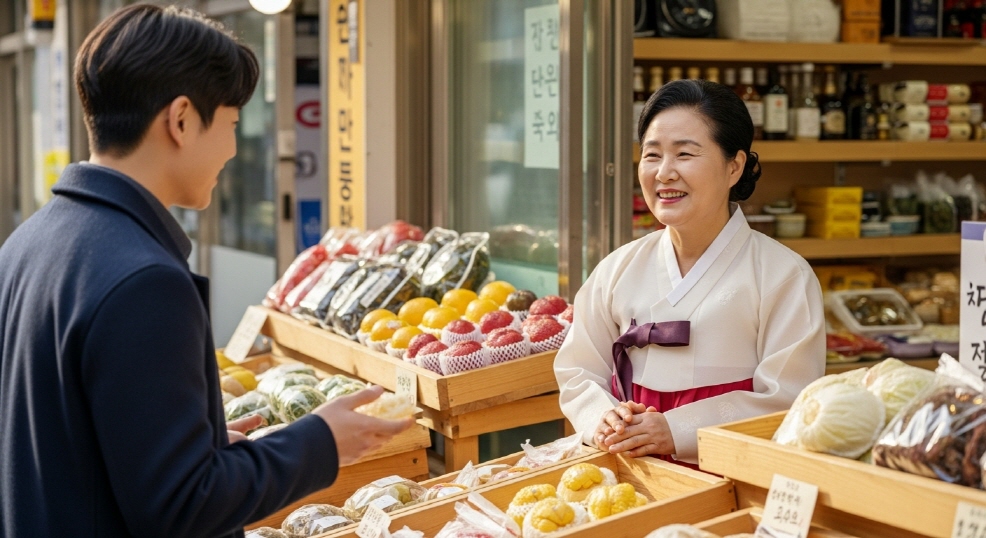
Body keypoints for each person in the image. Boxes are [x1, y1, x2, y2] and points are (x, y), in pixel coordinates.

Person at [0, 5, 412, 537]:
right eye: (232, 123)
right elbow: (180, 505)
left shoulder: (27, 242)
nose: (234, 150)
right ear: (181, 119)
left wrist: (210, 448)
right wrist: (319, 443)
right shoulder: (143, 282)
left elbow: (70, 445)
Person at [554, 79, 825, 466]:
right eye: (652, 155)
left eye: (684, 154)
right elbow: (579, 368)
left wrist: (678, 430)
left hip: (732, 479)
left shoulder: (783, 276)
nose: (664, 173)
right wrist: (603, 416)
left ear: (734, 165)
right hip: (629, 472)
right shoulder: (617, 269)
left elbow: (792, 399)